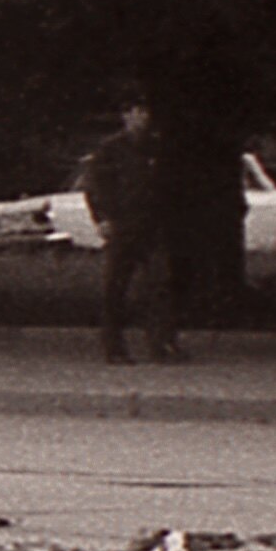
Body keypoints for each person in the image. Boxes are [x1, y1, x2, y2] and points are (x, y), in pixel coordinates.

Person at [80, 98, 186, 364]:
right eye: (138, 112)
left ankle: (162, 343)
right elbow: (96, 186)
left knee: (159, 284)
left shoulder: (157, 146)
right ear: (126, 116)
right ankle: (114, 346)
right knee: (116, 286)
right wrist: (102, 218)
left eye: (146, 112)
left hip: (153, 225)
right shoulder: (110, 149)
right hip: (123, 223)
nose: (143, 118)